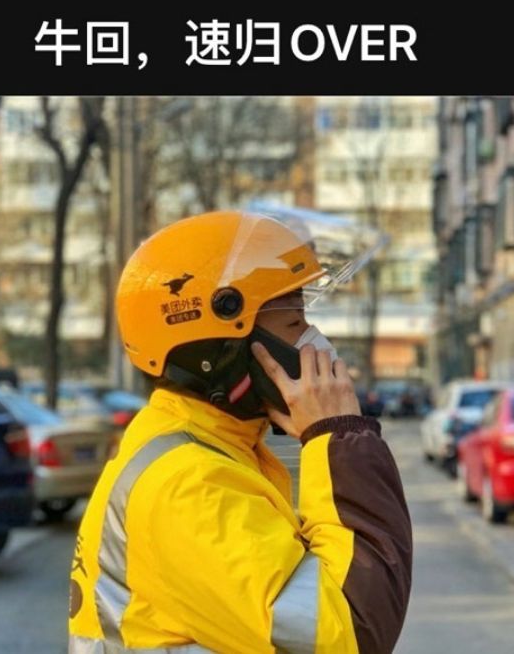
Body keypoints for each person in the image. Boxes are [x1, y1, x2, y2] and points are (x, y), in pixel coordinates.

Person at [68, 211, 412, 654]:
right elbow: (347, 630)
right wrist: (339, 439)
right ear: (221, 350)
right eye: (294, 323)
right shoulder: (189, 484)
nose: (314, 341)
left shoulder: (209, 446)